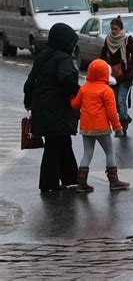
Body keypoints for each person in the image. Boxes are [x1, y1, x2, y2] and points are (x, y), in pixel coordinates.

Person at [23, 23, 81, 193]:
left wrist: (29, 102)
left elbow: (29, 83)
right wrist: (79, 93)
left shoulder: (42, 57)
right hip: (57, 111)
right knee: (54, 146)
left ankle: (71, 178)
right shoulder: (63, 58)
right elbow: (65, 79)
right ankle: (49, 184)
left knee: (62, 142)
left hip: (42, 110)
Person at [71, 59, 130, 192]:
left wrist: (70, 96)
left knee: (87, 153)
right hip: (101, 127)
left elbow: (75, 105)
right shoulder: (106, 90)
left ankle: (81, 183)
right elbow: (111, 112)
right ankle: (114, 181)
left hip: (86, 127)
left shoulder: (84, 88)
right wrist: (117, 127)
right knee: (109, 152)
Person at [100, 16, 133, 137]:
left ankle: (123, 125)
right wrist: (105, 68)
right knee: (115, 103)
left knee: (121, 101)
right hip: (113, 77)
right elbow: (102, 56)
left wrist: (129, 67)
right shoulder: (108, 40)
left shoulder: (127, 40)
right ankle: (125, 118)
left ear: (121, 29)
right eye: (111, 29)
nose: (113, 31)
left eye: (115, 29)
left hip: (126, 76)